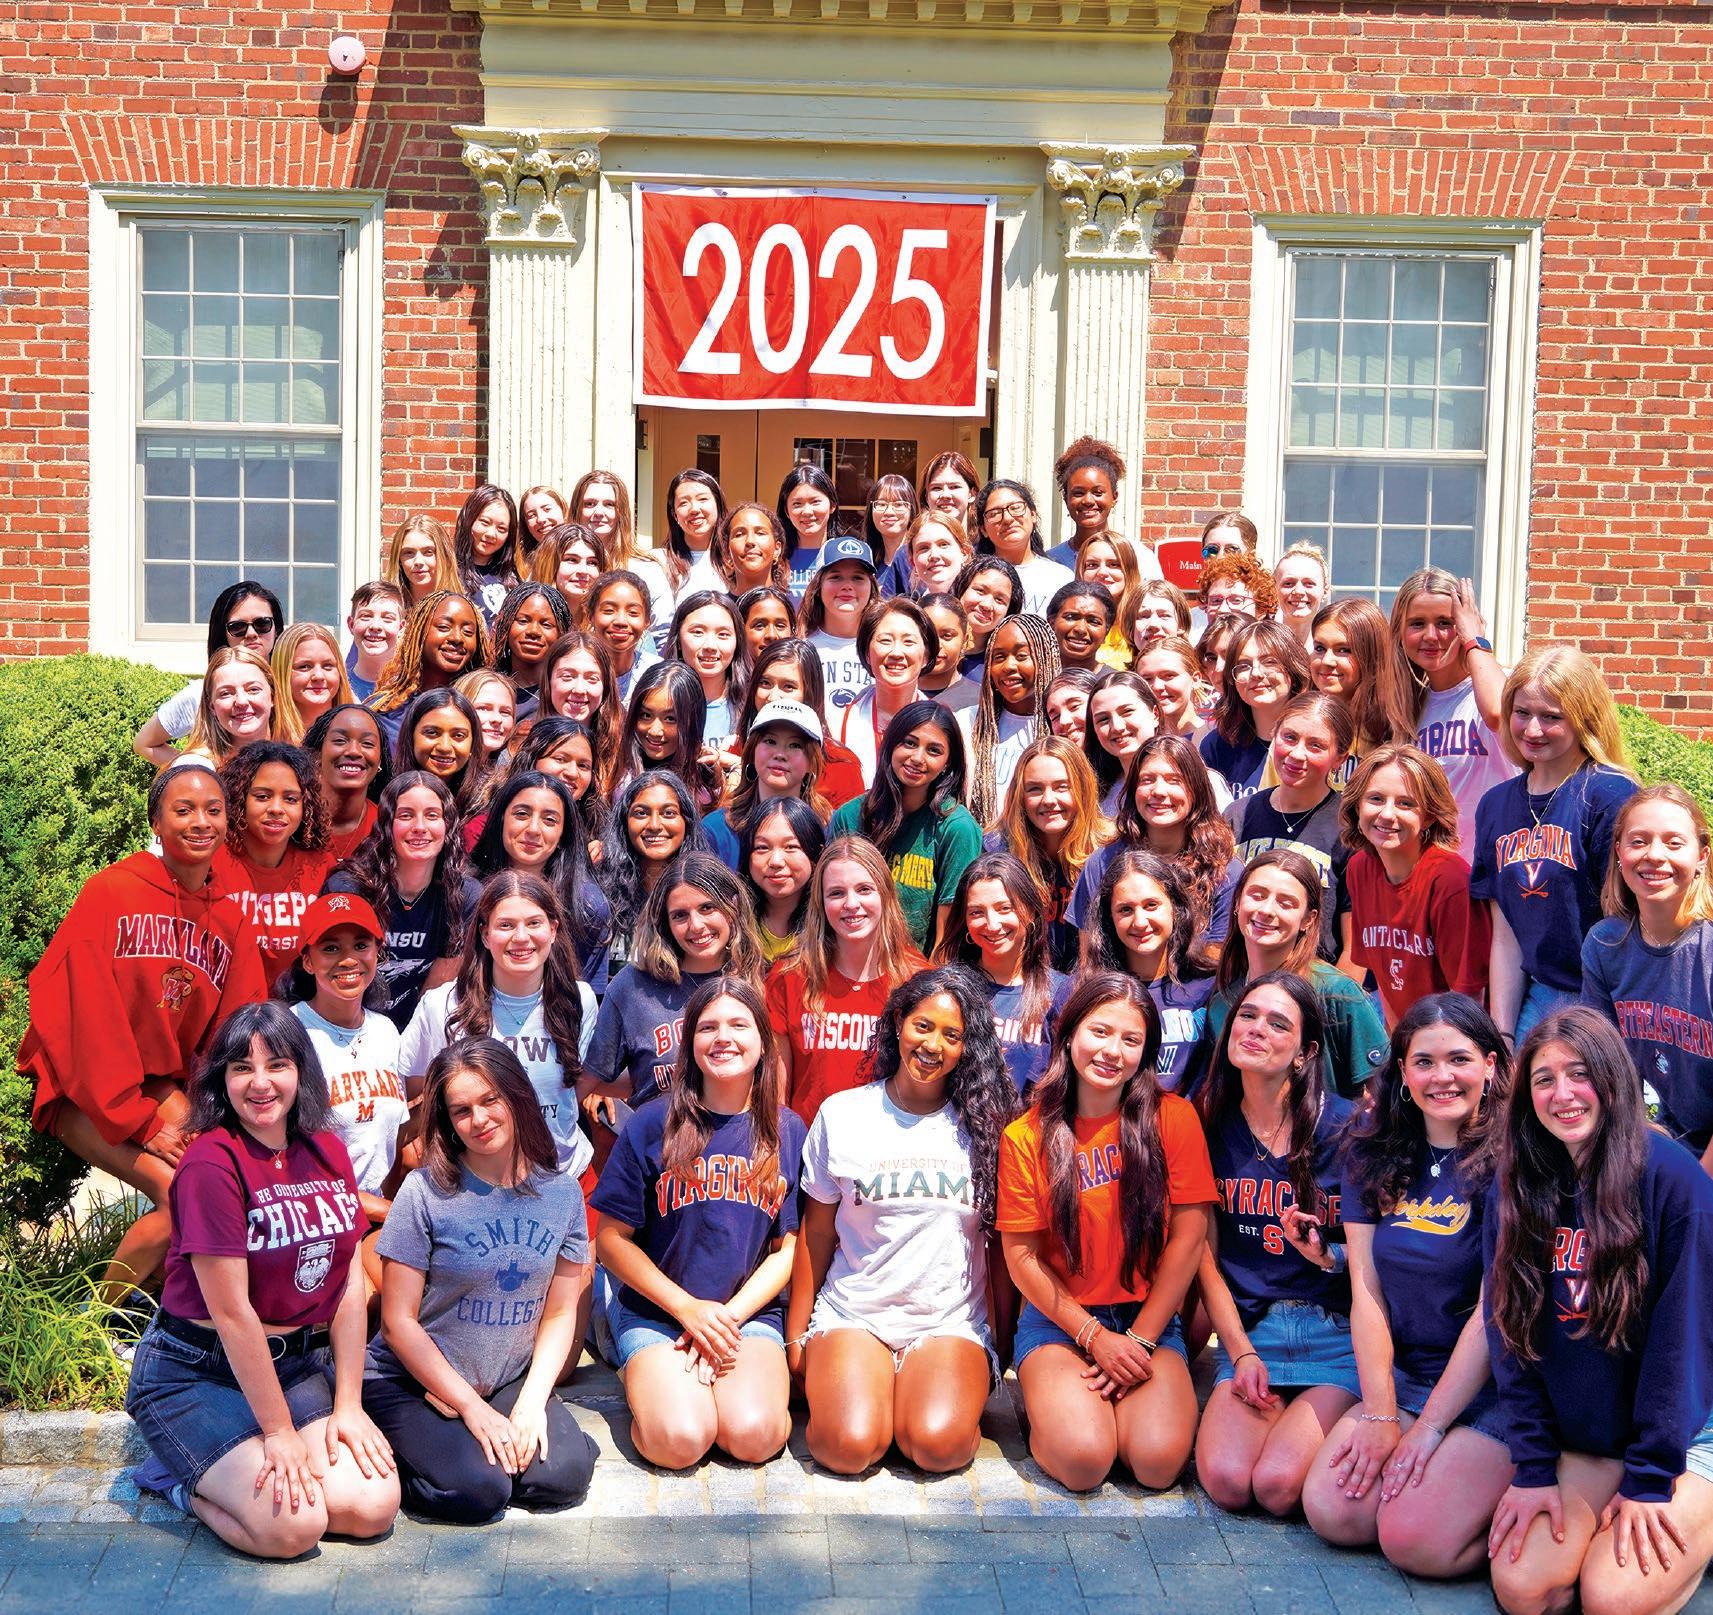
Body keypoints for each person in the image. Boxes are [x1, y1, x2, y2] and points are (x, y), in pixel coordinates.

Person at [123, 1003, 398, 1554]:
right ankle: (174, 1480)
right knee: (292, 1528)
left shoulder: (326, 1150)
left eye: (277, 1064)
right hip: (196, 1372)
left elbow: (346, 1281)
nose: (261, 1083)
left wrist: (348, 1404)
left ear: (301, 1071)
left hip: (293, 1366)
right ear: (221, 1080)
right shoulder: (210, 1164)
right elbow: (231, 1313)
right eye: (242, 1068)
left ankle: (227, 1465)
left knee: (371, 1507)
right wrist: (278, 1433)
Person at [1484, 1008, 1713, 1615]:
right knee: (1524, 1589)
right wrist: (1533, 1467)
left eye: (1580, 1074)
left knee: (1612, 1599)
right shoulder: (1519, 1184)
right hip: (1594, 1435)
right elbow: (1507, 1333)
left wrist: (1650, 1479)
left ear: (1613, 1078)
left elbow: (1681, 1343)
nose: (1562, 1094)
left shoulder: (1674, 1181)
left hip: (1688, 1431)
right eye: (1544, 1079)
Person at [22, 763, 267, 1303]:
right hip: (82, 1087)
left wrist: (225, 1111)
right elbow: (86, 1021)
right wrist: (140, 1122)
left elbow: (237, 1028)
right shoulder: (111, 892)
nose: (200, 822)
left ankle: (158, 1299)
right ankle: (95, 1322)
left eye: (213, 810)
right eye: (183, 810)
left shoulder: (229, 918)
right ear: (156, 822)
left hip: (155, 1085)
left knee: (224, 1174)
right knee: (179, 1194)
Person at [1302, 995, 1514, 1576]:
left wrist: (1430, 1428)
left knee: (1412, 1542)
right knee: (1334, 1513)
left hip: (1495, 1389)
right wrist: (1381, 1414)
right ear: (1402, 1070)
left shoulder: (1516, 1161)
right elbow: (1366, 1289)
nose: (1441, 1077)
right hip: (1409, 1376)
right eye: (1424, 1062)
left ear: (1490, 1065)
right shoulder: (1371, 1149)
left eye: (1459, 1060)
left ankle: (1521, 1502)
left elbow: (1492, 1312)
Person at [790, 966, 1017, 1473]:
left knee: (938, 1447)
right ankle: (878, 1399)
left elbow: (1001, 1248)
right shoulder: (843, 1114)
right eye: (923, 1026)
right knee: (847, 1446)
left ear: (967, 1048)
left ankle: (910, 1402)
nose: (933, 1045)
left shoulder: (988, 1127)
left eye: (952, 1035)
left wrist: (1002, 1345)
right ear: (898, 1023)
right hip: (855, 1313)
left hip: (948, 1322)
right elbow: (817, 1232)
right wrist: (795, 1336)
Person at [365, 1038, 598, 1522]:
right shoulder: (423, 1192)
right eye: (462, 1110)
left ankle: (486, 1452)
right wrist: (472, 1409)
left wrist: (532, 1401)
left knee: (563, 1475)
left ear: (516, 1095)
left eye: (491, 1099)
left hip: (506, 1376)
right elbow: (397, 1324)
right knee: (480, 1490)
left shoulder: (562, 1194)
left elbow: (560, 1312)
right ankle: (405, 1460)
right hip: (412, 1380)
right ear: (448, 1121)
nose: (480, 1119)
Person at [998, 971, 1214, 1492]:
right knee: (1083, 1461)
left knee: (1158, 1464)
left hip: (1146, 1320)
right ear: (1069, 1033)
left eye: (1131, 1039)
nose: (1112, 1051)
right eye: (1100, 1031)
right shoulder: (1025, 1135)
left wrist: (1138, 1339)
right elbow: (1023, 1259)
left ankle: (1105, 1411)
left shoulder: (1174, 1119)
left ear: (1146, 1052)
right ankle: (1055, 1413)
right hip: (1060, 1322)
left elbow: (1189, 1238)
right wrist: (1093, 1337)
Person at [593, 978, 805, 1469]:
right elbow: (611, 1241)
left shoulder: (787, 1129)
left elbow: (789, 1249)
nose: (723, 1037)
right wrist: (688, 1310)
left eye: (739, 1025)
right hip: (658, 1311)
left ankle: (710, 1389)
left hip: (745, 1314)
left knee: (755, 1436)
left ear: (763, 1041)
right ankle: (621, 1343)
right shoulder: (651, 1123)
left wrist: (724, 1320)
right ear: (689, 1043)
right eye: (708, 1027)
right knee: (680, 1440)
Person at [1192, 972, 1359, 1515]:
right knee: (1226, 1481)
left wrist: (1330, 1256)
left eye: (1278, 1023)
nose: (1257, 1028)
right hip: (1253, 1333)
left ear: (1305, 1053)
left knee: (1278, 1484)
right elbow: (1205, 1259)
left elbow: (1384, 1253)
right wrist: (1239, 1350)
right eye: (1248, 1015)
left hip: (1336, 1336)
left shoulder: (1348, 1128)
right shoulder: (1206, 1121)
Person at [1473, 647, 1638, 1045]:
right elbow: (1506, 934)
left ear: (1584, 718)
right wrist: (1503, 1033)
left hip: (1610, 998)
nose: (1533, 730)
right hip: (1540, 993)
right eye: (1522, 712)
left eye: (1551, 717)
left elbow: (1629, 919)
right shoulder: (1495, 805)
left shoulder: (1610, 795)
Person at [397, 870, 595, 1183]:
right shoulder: (443, 1006)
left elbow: (576, 1085)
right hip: (472, 1185)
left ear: (554, 929)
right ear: (485, 934)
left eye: (534, 923)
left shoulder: (579, 1000)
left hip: (565, 1176)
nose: (521, 937)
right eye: (506, 925)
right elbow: (404, 1087)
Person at [1582, 784, 1713, 1172]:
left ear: (1702, 856)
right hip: (1660, 1140)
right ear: (1619, 853)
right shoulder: (1605, 946)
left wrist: (1697, 1183)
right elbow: (1603, 1065)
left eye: (1674, 843)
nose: (1654, 855)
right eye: (1638, 841)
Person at [584, 851, 765, 1130]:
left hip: (738, 1146)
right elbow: (593, 1077)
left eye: (708, 908)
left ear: (733, 905)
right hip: (657, 1144)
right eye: (680, 915)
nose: (696, 926)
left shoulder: (759, 981)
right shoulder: (632, 987)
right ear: (665, 922)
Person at [284, 892, 409, 1292]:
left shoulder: (386, 1032)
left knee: (405, 1296)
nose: (348, 959)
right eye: (330, 948)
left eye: (360, 945)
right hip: (311, 1214)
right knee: (369, 1301)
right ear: (308, 961)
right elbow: (283, 1157)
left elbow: (394, 1139)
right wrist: (392, 1212)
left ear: (377, 952)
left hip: (372, 1214)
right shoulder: (289, 1033)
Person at [765, 835, 926, 1125]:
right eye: (836, 893)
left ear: (885, 894)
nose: (851, 904)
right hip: (811, 1145)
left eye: (864, 889)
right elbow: (778, 1094)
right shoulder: (789, 976)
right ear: (821, 903)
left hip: (891, 1145)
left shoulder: (919, 980)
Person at [1209, 849, 1388, 1099]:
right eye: (1257, 895)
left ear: (1308, 919)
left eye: (1286, 903)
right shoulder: (1222, 1003)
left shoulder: (1337, 994)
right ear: (1237, 902)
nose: (1267, 910)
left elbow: (1383, 1092)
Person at [1341, 744, 1491, 1026]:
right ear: (1357, 805)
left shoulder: (1450, 880)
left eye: (1405, 804)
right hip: (1407, 1035)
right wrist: (1399, 1045)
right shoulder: (1359, 869)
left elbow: (1468, 997)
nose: (1387, 814)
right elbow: (1386, 979)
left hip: (1453, 1032)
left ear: (1429, 816)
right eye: (1375, 799)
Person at [325, 772, 479, 1030]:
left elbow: (434, 999)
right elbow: (335, 977)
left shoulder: (465, 895)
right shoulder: (348, 889)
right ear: (387, 824)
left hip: (421, 1029)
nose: (420, 827)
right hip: (349, 1023)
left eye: (432, 815)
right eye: (406, 815)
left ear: (447, 826)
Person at [1070, 734, 1242, 961]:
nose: (1159, 791)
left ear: (1197, 789)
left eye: (1174, 780)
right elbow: (1090, 960)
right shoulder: (1102, 863)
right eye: (1147, 780)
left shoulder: (1225, 871)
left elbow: (1215, 968)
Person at [829, 701, 983, 953]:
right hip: (849, 961)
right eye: (909, 743)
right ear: (891, 744)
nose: (917, 758)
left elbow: (946, 943)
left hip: (918, 970)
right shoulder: (849, 816)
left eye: (934, 750)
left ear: (947, 762)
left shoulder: (957, 828)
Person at [1222, 691, 1358, 968]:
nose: (1297, 754)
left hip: (1313, 981)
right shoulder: (1237, 816)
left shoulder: (1349, 827)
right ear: (1274, 735)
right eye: (1290, 737)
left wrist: (1337, 994)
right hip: (1242, 977)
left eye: (1316, 745)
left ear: (1340, 759)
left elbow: (1355, 950)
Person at [1393, 566, 1514, 852]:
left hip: (1495, 866)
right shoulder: (1407, 707)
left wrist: (1475, 640)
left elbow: (1499, 714)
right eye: (1417, 623)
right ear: (1400, 632)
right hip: (1435, 867)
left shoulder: (1495, 686)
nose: (1431, 636)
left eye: (1445, 623)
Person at [1079, 851, 1219, 1094]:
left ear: (1175, 907)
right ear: (1109, 918)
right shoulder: (1084, 991)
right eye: (1125, 910)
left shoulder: (1209, 986)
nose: (1140, 922)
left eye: (1151, 905)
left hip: (1185, 1118)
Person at [935, 853, 1071, 1096]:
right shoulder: (946, 990)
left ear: (1030, 910)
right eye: (976, 912)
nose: (992, 924)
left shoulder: (1063, 993)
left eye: (1004, 908)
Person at [469, 770, 609, 987]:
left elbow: (582, 993)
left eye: (549, 820)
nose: (533, 829)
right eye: (522, 814)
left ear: (563, 833)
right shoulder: (467, 892)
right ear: (501, 819)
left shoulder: (587, 906)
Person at [214, 740, 336, 988]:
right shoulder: (212, 862)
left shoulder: (321, 866)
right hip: (229, 1004)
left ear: (306, 806)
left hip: (297, 1005)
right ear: (239, 798)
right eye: (262, 796)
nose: (276, 809)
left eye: (290, 799)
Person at [991, 734, 1111, 970]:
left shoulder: (1109, 854)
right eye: (1034, 789)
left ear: (1083, 789)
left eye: (1061, 787)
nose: (1048, 800)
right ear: (1020, 795)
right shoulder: (998, 851)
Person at [133, 582, 284, 767]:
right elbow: (144, 744)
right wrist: (204, 771)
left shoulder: (293, 685)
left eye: (262, 623)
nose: (251, 633)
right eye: (237, 627)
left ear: (276, 628)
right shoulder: (199, 694)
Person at [725, 638, 866, 808]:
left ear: (810, 694)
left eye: (788, 687)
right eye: (765, 683)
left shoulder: (842, 765)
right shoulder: (733, 751)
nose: (773, 697)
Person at [700, 699, 830, 871]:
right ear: (752, 750)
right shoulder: (715, 830)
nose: (780, 754)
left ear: (812, 761)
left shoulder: (830, 827)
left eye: (795, 745)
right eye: (770, 741)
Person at [598, 769, 707, 972]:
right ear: (624, 822)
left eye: (669, 813)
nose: (655, 825)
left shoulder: (707, 893)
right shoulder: (600, 891)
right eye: (641, 813)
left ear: (686, 821)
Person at [962, 614, 1062, 827]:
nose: (1008, 666)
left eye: (1022, 655)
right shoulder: (967, 722)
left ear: (1046, 658)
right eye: (998, 657)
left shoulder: (1063, 725)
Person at [1201, 619, 1313, 800]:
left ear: (1293, 669)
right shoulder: (1216, 746)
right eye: (1244, 665)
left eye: (1269, 662)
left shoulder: (1315, 743)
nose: (1256, 673)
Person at [833, 596, 936, 786]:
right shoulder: (836, 724)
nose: (896, 653)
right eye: (885, 641)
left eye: (908, 642)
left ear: (926, 656)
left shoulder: (940, 727)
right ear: (867, 653)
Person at [366, 591, 486, 752]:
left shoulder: (483, 709)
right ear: (419, 631)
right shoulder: (384, 711)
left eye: (468, 632)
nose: (457, 638)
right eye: (444, 627)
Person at [607, 660, 724, 813]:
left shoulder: (705, 784)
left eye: (670, 719)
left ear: (693, 722)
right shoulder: (616, 775)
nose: (655, 731)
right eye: (646, 715)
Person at [1310, 598, 1414, 762]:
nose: (1327, 661)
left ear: (1372, 655)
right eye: (1320, 648)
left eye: (1344, 650)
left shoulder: (1397, 729)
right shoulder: (1299, 721)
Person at [571, 469, 673, 635]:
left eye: (609, 504)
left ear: (621, 512)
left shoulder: (646, 570)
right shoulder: (559, 565)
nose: (599, 512)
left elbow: (662, 632)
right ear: (577, 510)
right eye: (589, 504)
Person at [1046, 435, 1161, 578]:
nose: (1088, 500)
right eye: (1078, 493)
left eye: (1098, 493)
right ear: (1066, 499)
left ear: (1114, 497)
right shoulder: (1051, 562)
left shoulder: (1140, 558)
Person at [741, 797, 827, 962]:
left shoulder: (831, 921)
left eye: (791, 847)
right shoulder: (733, 921)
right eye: (762, 847)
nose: (776, 861)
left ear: (816, 853)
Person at [800, 535, 878, 712]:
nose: (847, 586)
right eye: (836, 577)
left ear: (871, 587)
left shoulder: (883, 646)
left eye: (858, 578)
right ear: (818, 586)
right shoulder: (802, 647)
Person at [974, 478, 1073, 616]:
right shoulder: (973, 577)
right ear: (983, 529)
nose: (1007, 518)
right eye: (995, 513)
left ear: (1033, 515)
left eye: (1015, 508)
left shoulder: (1061, 577)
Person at [306, 703, 387, 861]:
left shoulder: (387, 828)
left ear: (380, 760)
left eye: (368, 743)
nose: (353, 751)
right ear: (317, 754)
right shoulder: (294, 820)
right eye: (340, 740)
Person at [664, 589, 747, 743]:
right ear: (678, 640)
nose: (710, 645)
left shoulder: (753, 704)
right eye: (698, 632)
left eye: (723, 634)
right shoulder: (657, 701)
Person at [393, 688, 488, 819]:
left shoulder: (488, 802)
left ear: (472, 744)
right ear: (411, 736)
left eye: (458, 735)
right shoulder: (386, 793)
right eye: (432, 733)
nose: (445, 747)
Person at [178, 647, 278, 769]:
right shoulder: (198, 768)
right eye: (226, 693)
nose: (241, 701)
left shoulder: (295, 757)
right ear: (212, 706)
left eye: (253, 689)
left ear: (272, 696)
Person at [1083, 668, 1161, 816]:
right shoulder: (1096, 795)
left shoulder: (1189, 777)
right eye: (1103, 719)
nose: (1117, 727)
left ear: (1155, 715)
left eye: (1127, 712)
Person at [489, 582, 572, 718]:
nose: (533, 631)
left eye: (546, 625)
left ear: (561, 632)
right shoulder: (485, 688)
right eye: (523, 621)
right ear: (505, 625)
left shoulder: (568, 692)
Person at [539, 627, 619, 767]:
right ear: (549, 681)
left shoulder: (623, 751)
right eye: (567, 677)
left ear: (605, 687)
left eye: (592, 679)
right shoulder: (524, 743)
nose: (579, 690)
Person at [586, 569, 662, 703]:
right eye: (609, 610)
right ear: (591, 616)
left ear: (647, 621)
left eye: (633, 613)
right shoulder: (573, 669)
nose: (621, 621)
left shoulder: (658, 674)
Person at [271, 623, 354, 746]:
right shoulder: (264, 739)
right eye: (304, 667)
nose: (318, 676)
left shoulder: (362, 733)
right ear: (283, 672)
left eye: (328, 666)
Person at [452, 482, 522, 627]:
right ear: (468, 519)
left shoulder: (518, 574)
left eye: (501, 529)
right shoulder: (449, 571)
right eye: (485, 522)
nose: (491, 534)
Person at [1134, 634, 1216, 745]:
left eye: (1169, 676)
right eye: (1147, 679)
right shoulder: (1137, 745)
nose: (1157, 686)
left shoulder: (1215, 738)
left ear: (1195, 679)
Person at [1077, 535, 1143, 669]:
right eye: (1092, 565)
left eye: (1113, 564)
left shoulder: (1143, 624)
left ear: (1129, 571)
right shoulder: (1070, 625)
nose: (1102, 572)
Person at [954, 554, 1023, 677]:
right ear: (962, 589)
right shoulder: (928, 647)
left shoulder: (1004, 668)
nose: (987, 605)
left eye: (999, 600)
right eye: (980, 591)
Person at [662, 467, 727, 595]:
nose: (694, 509)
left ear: (718, 505)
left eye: (702, 499)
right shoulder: (659, 563)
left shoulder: (735, 560)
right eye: (683, 503)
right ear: (675, 515)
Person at [776, 463, 839, 592]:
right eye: (797, 504)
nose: (807, 512)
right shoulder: (776, 557)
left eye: (815, 502)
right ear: (786, 511)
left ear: (832, 505)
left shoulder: (846, 555)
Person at [530, 519, 609, 620]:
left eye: (592, 563)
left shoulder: (604, 622)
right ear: (549, 564)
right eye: (572, 560)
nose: (583, 571)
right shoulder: (528, 618)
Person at [345, 580, 407, 705]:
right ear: (351, 625)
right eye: (366, 616)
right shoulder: (338, 688)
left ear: (401, 628)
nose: (375, 626)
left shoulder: (411, 689)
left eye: (387, 618)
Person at [713, 503, 792, 599]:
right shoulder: (719, 607)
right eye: (739, 534)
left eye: (760, 533)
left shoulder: (792, 605)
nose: (750, 541)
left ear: (777, 549)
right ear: (727, 551)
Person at [383, 513, 460, 611]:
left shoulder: (462, 609)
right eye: (409, 552)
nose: (418, 561)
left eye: (428, 552)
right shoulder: (386, 609)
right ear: (399, 560)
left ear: (445, 555)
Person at [1046, 580, 1118, 677]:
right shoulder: (1029, 679)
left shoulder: (1117, 683)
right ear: (1051, 623)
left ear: (1106, 632)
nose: (1081, 629)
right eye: (1071, 617)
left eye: (1093, 621)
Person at [898, 510, 973, 597]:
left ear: (964, 552)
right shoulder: (912, 605)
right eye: (923, 548)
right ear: (913, 562)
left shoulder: (980, 603)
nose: (934, 555)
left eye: (943, 545)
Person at [453, 668, 518, 771]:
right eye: (483, 709)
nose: (497, 719)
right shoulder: (438, 771)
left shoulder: (512, 774)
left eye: (505, 712)